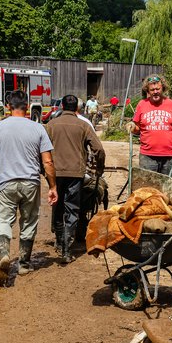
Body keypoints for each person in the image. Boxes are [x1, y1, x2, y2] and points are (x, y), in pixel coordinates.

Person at [0, 91, 58, 287]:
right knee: (29, 222)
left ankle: (5, 255)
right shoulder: (38, 128)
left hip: (6, 183)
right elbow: (48, 162)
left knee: (2, 221)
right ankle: (24, 264)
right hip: (31, 183)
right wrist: (53, 186)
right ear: (27, 107)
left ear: (8, 106)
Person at [46, 95, 106, 263]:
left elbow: (41, 150)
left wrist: (44, 170)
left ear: (62, 106)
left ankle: (58, 242)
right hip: (75, 174)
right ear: (77, 109)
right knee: (72, 209)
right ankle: (66, 249)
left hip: (55, 174)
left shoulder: (50, 125)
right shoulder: (83, 125)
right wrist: (99, 168)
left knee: (57, 208)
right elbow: (99, 149)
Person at [127, 74, 172, 175]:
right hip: (147, 156)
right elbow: (138, 127)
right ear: (148, 91)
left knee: (166, 188)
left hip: (169, 155)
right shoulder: (142, 104)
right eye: (152, 90)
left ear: (163, 88)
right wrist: (133, 127)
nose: (155, 92)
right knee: (148, 188)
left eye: (158, 89)